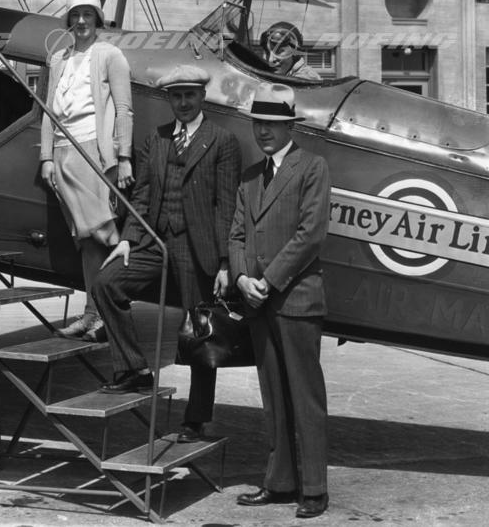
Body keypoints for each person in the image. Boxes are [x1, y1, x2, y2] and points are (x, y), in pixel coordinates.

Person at [92, 65, 241, 443]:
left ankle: (196, 419)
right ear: (168, 99)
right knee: (107, 283)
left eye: (190, 95)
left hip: (198, 249)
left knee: (200, 330)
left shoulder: (222, 141)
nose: (184, 102)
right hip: (155, 243)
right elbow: (141, 196)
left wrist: (225, 262)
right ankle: (134, 369)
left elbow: (226, 205)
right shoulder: (155, 140)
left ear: (202, 96)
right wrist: (128, 239)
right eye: (176, 96)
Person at [228, 83, 331, 519]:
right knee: (273, 394)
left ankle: (315, 489)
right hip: (259, 302)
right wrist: (240, 278)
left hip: (295, 299)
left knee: (305, 396)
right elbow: (236, 234)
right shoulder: (251, 176)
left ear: (291, 126)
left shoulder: (312, 167)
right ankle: (280, 482)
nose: (264, 131)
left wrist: (266, 281)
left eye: (272, 123)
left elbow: (311, 234)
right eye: (258, 123)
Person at [41, 0, 134, 341]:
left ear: (98, 19)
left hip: (93, 153)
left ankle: (108, 314)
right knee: (85, 239)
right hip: (62, 153)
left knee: (102, 234)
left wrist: (123, 157)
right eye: (75, 15)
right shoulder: (58, 59)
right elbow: (48, 111)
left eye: (88, 14)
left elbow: (124, 109)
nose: (81, 21)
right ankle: (92, 314)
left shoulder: (110, 54)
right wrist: (46, 157)